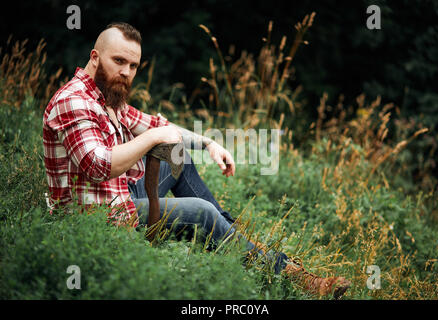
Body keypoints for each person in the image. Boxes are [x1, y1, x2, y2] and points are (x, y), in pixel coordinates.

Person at [43, 22, 350, 299]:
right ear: (95, 57)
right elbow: (99, 166)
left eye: (133, 65)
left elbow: (158, 126)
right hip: (98, 219)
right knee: (202, 213)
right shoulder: (74, 101)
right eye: (119, 61)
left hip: (119, 195)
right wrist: (153, 138)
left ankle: (233, 238)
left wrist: (208, 143)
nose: (126, 72)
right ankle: (286, 275)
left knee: (178, 155)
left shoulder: (107, 98)